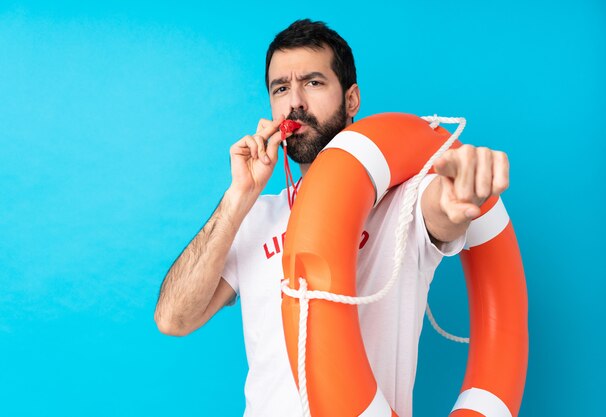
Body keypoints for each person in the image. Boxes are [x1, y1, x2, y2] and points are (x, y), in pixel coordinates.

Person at [154, 19, 509, 417]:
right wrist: (238, 197)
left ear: (352, 99)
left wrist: (460, 194)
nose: (296, 102)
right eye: (281, 88)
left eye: (314, 83)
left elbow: (441, 209)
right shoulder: (257, 217)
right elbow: (173, 319)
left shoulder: (403, 201)